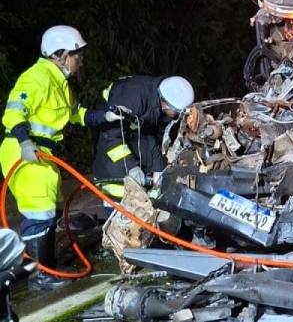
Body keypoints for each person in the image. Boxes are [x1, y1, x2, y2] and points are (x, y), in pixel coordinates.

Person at [0, 25, 124, 291]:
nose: (81, 62)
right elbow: (14, 111)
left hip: (42, 154)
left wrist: (105, 116)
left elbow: (76, 114)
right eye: (78, 56)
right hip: (25, 151)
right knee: (39, 213)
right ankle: (38, 277)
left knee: (50, 211)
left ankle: (46, 267)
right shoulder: (37, 77)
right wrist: (24, 141)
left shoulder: (60, 84)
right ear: (63, 55)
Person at [92, 75, 194, 214]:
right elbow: (110, 137)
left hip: (139, 131)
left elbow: (159, 130)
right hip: (110, 132)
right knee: (122, 187)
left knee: (159, 179)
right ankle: (117, 213)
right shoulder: (133, 97)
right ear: (165, 104)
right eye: (177, 112)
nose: (178, 115)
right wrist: (131, 168)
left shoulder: (160, 97)